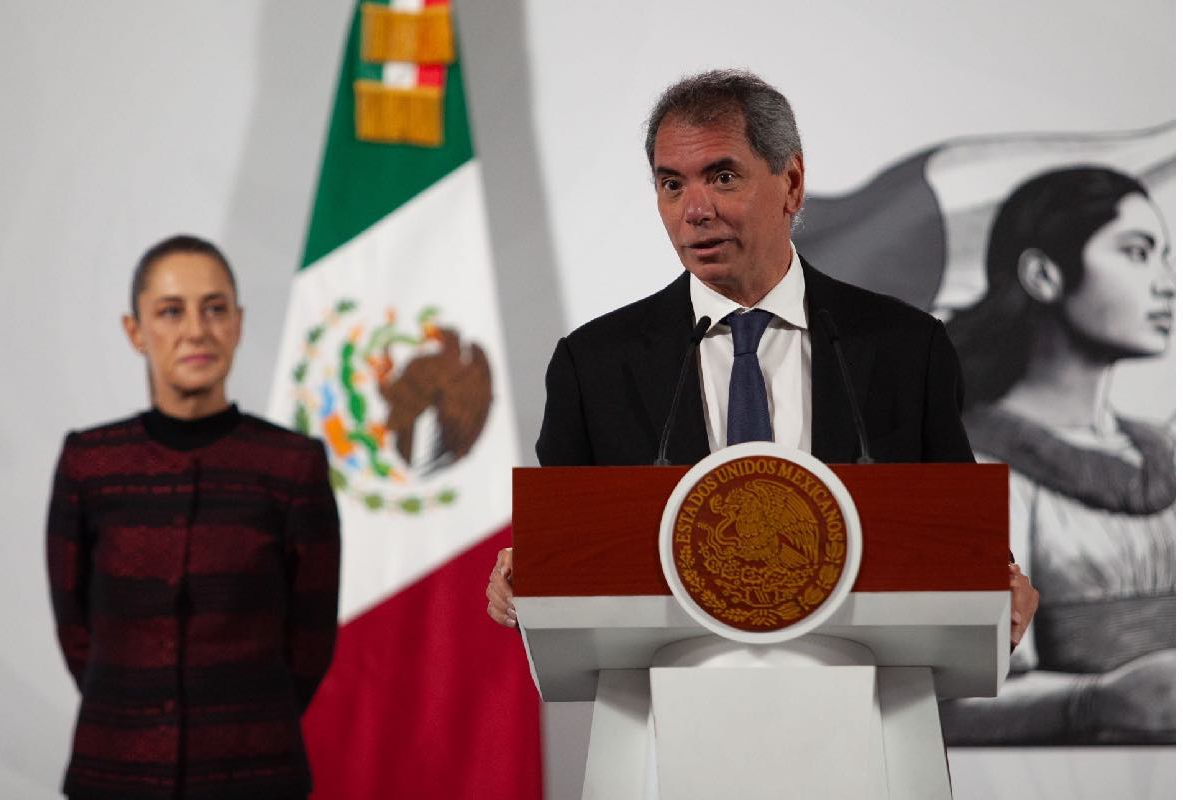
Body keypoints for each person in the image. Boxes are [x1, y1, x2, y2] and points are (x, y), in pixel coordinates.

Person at [485, 69, 1038, 646]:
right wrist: (527, 572)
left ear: (792, 182)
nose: (694, 210)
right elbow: (567, 548)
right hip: (672, 701)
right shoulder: (595, 365)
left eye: (722, 177)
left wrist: (1001, 586)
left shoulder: (903, 347)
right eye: (671, 184)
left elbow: (957, 534)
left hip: (865, 694)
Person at [45, 235, 341, 799]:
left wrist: (244, 715)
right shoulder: (90, 463)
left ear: (238, 322)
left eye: (215, 308)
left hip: (255, 775)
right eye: (170, 311)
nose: (196, 330)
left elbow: (311, 640)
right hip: (114, 772)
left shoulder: (292, 465)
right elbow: (76, 631)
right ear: (136, 331)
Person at [939, 167, 1175, 744]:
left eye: (1166, 256)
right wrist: (1095, 703)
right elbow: (950, 705)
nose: (1167, 282)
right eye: (1138, 253)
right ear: (1044, 275)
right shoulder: (977, 470)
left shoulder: (1165, 451)